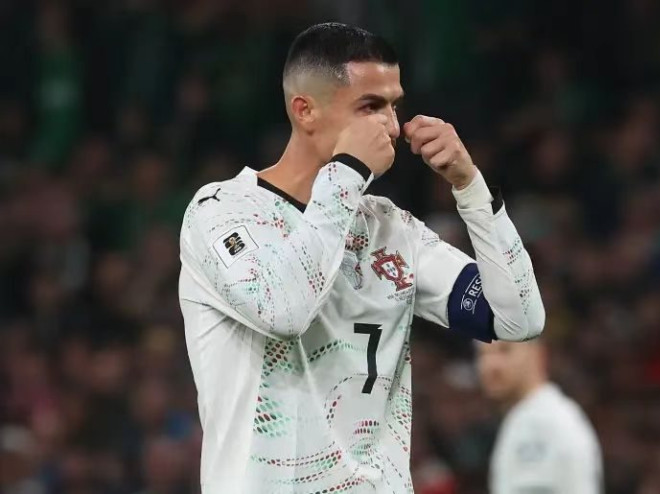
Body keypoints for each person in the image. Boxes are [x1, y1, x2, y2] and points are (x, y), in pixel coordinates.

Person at [178, 22, 545, 493]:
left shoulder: (390, 228)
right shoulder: (221, 213)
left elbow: (518, 318)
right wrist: (347, 171)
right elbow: (284, 309)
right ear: (305, 110)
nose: (391, 126)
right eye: (370, 106)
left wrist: (470, 187)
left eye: (394, 105)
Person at [477, 340, 603, 494]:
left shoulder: (547, 423)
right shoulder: (520, 420)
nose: (491, 364)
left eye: (505, 350)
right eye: (483, 354)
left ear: (537, 354)